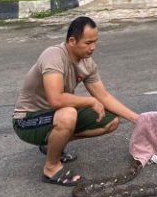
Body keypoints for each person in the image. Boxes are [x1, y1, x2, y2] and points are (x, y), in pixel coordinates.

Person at [12, 16, 139, 186]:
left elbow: (104, 97)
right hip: (27, 120)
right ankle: (51, 168)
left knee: (111, 121)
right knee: (68, 114)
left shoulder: (88, 64)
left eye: (95, 41)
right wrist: (90, 101)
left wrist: (137, 119)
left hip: (54, 115)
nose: (93, 47)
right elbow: (56, 99)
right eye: (88, 43)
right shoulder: (54, 55)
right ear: (72, 41)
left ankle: (52, 146)